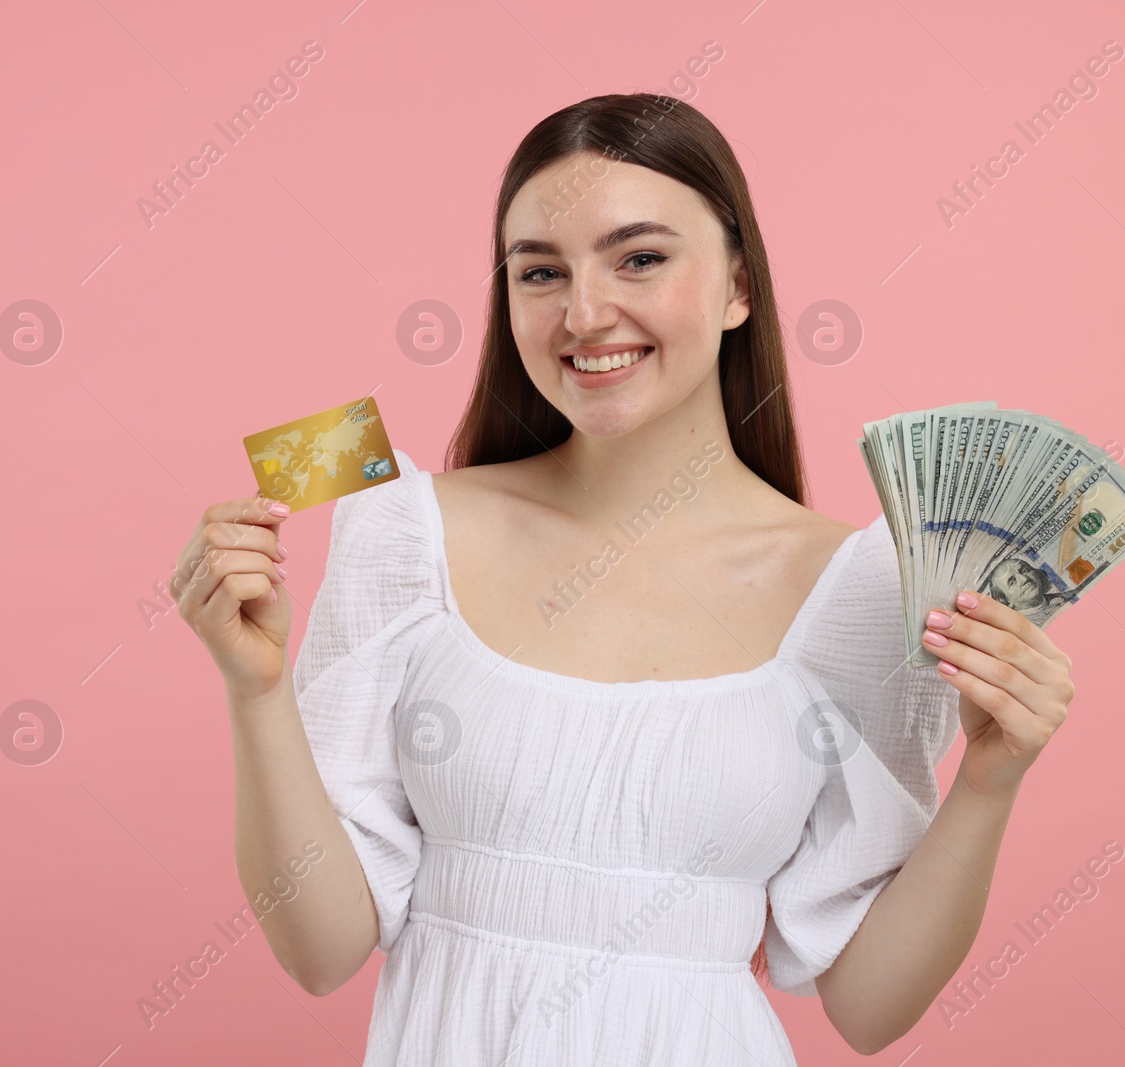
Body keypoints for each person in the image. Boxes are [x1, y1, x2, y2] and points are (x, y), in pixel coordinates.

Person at [171, 93, 1076, 1065]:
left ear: (738, 284)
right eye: (540, 271)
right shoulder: (401, 529)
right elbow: (320, 948)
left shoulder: (858, 588)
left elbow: (866, 1002)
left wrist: (989, 781)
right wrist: (255, 688)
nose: (584, 312)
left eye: (639, 257)